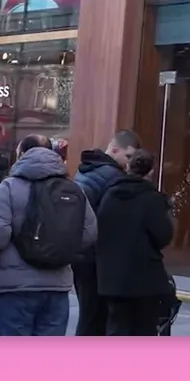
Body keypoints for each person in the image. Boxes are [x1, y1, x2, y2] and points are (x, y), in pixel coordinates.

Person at [0, 135, 97, 336]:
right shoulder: (74, 189)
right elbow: (89, 233)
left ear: (22, 155)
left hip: (14, 287)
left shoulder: (10, 187)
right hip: (57, 286)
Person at [95, 149, 176, 336]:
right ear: (151, 171)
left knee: (117, 326)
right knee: (143, 327)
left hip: (111, 277)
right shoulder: (152, 198)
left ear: (128, 167)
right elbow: (163, 235)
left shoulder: (109, 195)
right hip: (144, 278)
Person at [71, 130, 142, 336]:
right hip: (97, 258)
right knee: (95, 317)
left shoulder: (86, 169)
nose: (130, 163)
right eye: (128, 157)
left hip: (83, 254)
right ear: (114, 149)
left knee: (89, 313)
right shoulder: (112, 176)